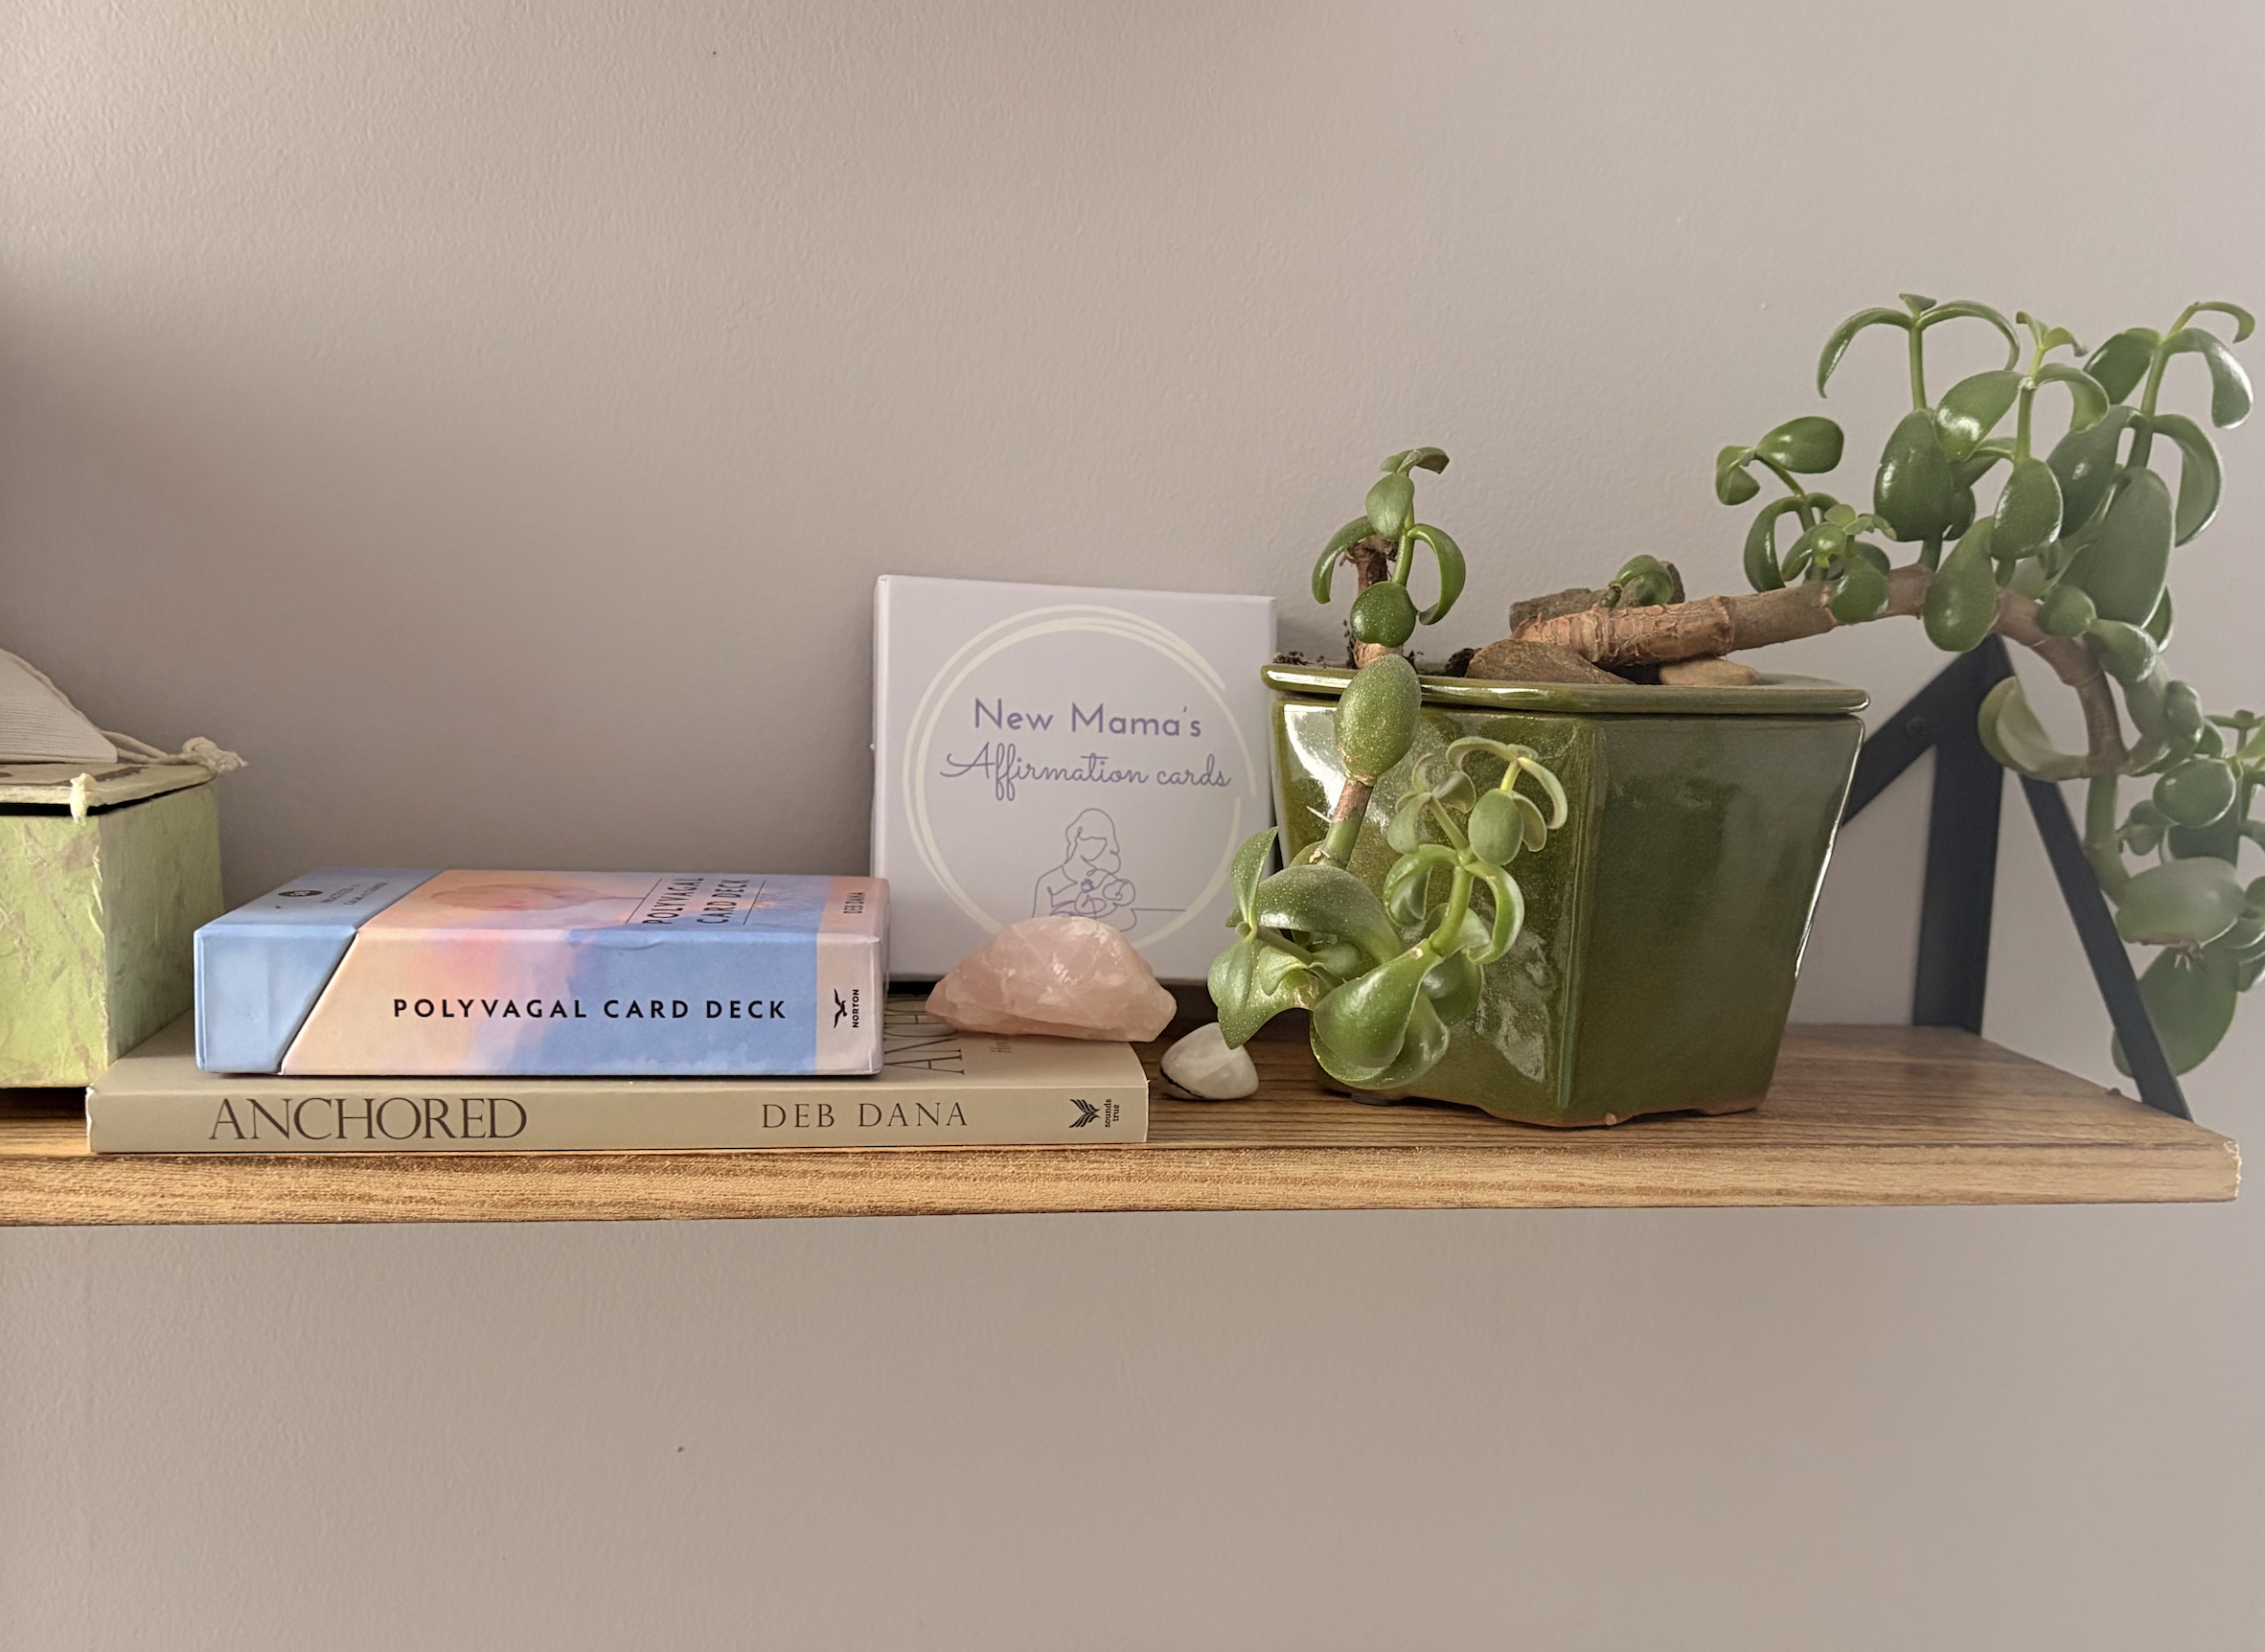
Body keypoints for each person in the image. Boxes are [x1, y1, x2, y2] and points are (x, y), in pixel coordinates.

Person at [1032, 809, 1136, 928]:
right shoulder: (1047, 882)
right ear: (1077, 838)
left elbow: (1125, 917)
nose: (1098, 846)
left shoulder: (1104, 878)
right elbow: (1035, 927)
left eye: (1103, 841)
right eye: (1091, 839)